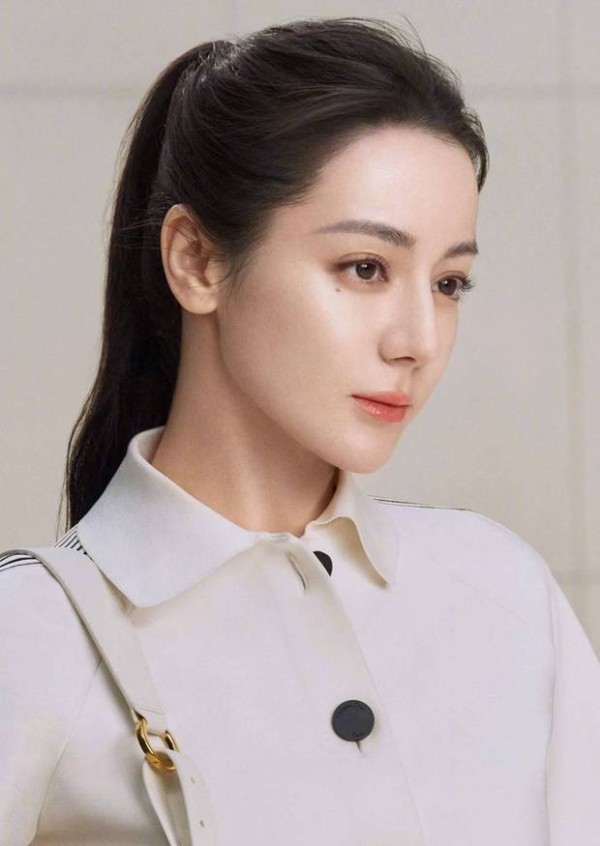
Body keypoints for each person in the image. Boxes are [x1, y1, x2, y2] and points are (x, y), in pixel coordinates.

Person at [1, 15, 599, 846]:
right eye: (365, 268)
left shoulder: (503, 595)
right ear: (197, 261)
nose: (418, 341)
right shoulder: (34, 637)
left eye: (449, 283)